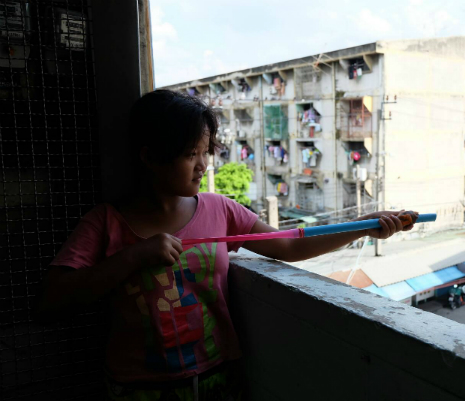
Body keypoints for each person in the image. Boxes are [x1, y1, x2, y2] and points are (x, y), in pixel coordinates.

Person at [38, 90, 419, 400]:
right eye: (191, 154)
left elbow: (287, 245)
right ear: (150, 157)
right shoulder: (105, 222)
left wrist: (364, 227)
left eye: (205, 152)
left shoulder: (221, 209)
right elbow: (53, 299)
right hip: (138, 390)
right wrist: (134, 256)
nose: (203, 165)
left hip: (217, 379)